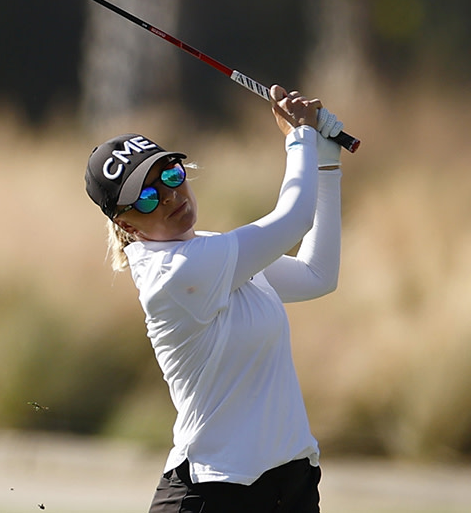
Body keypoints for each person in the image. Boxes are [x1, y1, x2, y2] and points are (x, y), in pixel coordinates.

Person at [84, 85, 345, 512]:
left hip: (289, 488)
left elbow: (318, 275)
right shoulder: (175, 274)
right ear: (126, 225)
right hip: (215, 496)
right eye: (147, 198)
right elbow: (293, 219)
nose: (170, 196)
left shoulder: (211, 252)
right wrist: (298, 137)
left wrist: (327, 162)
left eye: (170, 175)